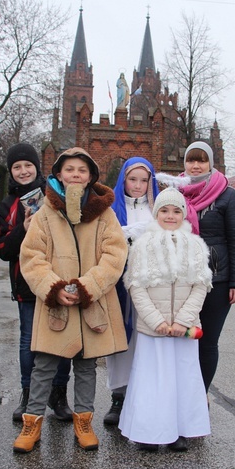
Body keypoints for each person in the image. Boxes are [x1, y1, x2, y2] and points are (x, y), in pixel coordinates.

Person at [13, 147, 128, 453]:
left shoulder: (105, 212)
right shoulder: (45, 213)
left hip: (92, 302)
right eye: (70, 169)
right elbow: (32, 256)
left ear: (91, 176)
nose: (76, 174)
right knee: (44, 365)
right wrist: (52, 287)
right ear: (59, 174)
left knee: (87, 366)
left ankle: (84, 421)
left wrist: (89, 286)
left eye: (82, 170)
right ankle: (32, 422)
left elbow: (115, 255)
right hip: (55, 301)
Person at [118, 187, 212, 452]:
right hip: (153, 328)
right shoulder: (143, 245)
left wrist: (183, 320)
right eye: (164, 210)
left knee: (182, 378)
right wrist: (155, 320)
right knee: (152, 380)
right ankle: (148, 432)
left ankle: (181, 429)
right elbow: (135, 286)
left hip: (184, 328)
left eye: (176, 211)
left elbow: (201, 286)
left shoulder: (194, 245)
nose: (170, 216)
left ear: (184, 214)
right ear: (156, 213)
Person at [157, 141, 235, 393]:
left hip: (216, 280)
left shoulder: (226, 194)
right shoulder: (175, 192)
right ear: (184, 163)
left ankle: (200, 394)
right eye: (191, 160)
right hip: (182, 279)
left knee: (206, 340)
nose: (196, 166)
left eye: (201, 160)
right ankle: (180, 393)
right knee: (181, 338)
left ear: (210, 163)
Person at [0, 143, 73, 422]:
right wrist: (22, 230)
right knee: (29, 341)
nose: (23, 171)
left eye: (28, 165)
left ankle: (58, 393)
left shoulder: (54, 194)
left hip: (59, 278)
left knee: (63, 338)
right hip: (26, 284)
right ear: (11, 171)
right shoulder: (7, 205)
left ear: (37, 167)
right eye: (17, 167)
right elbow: (1, 249)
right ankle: (28, 393)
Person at [103, 157, 159, 425]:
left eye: (143, 180)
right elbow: (104, 240)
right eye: (132, 179)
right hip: (120, 285)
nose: (137, 186)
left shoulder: (157, 209)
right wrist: (128, 233)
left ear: (151, 182)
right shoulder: (111, 209)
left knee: (146, 341)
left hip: (150, 288)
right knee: (121, 342)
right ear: (123, 179)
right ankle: (119, 397)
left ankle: (144, 396)